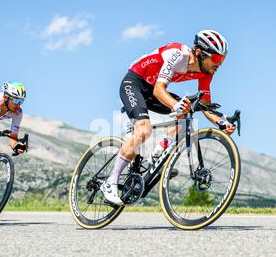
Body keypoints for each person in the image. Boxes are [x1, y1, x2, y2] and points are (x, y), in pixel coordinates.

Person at [100, 30, 236, 206]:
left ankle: (158, 154)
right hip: (135, 83)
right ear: (199, 53)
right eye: (217, 59)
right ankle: (110, 182)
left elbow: (204, 104)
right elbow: (159, 90)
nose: (219, 64)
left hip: (153, 90)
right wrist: (174, 105)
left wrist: (221, 121)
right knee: (144, 130)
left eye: (223, 60)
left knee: (187, 110)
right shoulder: (178, 54)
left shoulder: (207, 72)